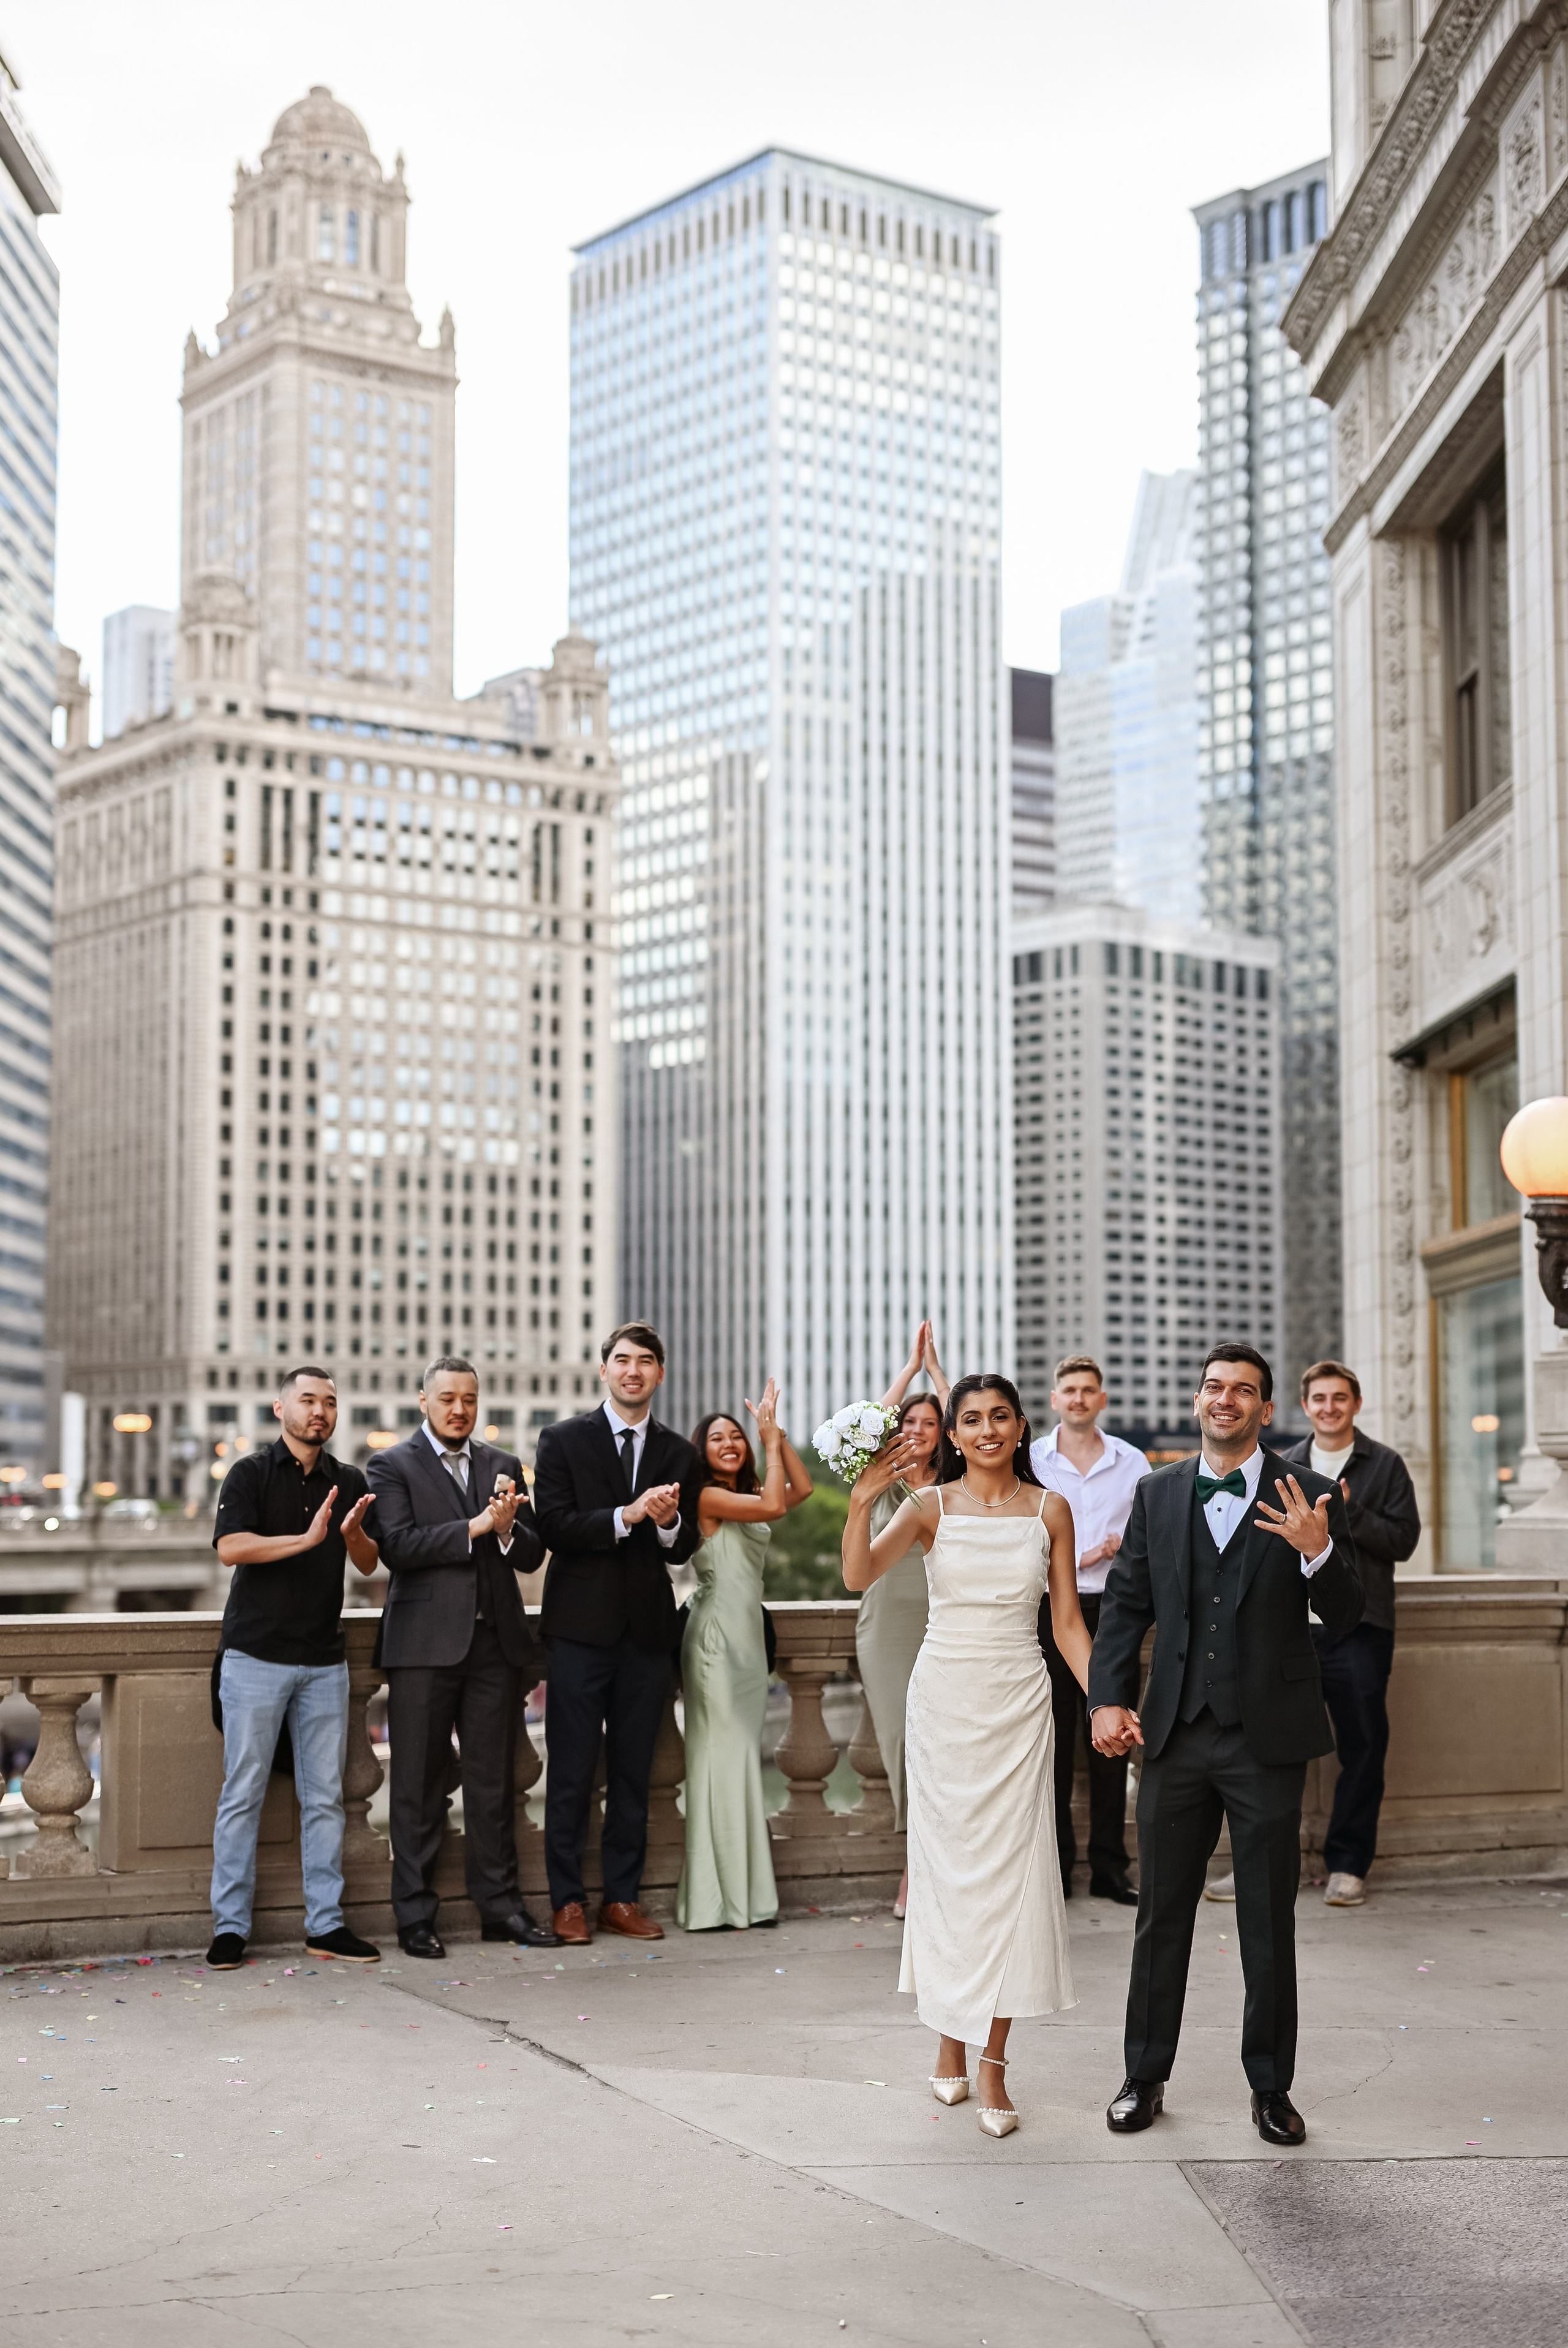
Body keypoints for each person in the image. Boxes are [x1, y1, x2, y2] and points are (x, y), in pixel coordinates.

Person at [1089, 1342, 1362, 2148]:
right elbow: (1126, 1606)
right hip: (1174, 1732)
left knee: (1267, 1922)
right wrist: (1108, 1698)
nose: (1226, 1400)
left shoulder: (1309, 1492)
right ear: (1198, 1396)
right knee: (1160, 1920)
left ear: (1266, 1409)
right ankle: (1144, 2076)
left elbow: (1346, 1617)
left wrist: (1317, 1550)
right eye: (1214, 1386)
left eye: (1244, 1391)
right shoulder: (1156, 1493)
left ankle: (1271, 2088)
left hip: (1267, 1741)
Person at [844, 1373, 1090, 2140]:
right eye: (971, 1419)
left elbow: (1069, 1625)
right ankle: (948, 2042)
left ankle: (992, 2063)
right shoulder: (927, 1506)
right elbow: (857, 1575)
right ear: (952, 1435)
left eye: (1000, 1416)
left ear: (1022, 1428)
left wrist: (1107, 1698)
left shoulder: (1051, 1508)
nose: (986, 1429)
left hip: (1019, 1704)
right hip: (944, 1702)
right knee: (950, 1882)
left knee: (1011, 1882)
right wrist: (858, 1502)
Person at [367, 1354, 553, 1960]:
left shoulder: (502, 1464)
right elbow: (397, 1546)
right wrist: (477, 1525)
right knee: (416, 1786)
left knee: (493, 1785)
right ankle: (415, 1916)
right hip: (422, 1648)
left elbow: (528, 1553)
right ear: (424, 1401)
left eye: (469, 1399)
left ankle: (502, 1907)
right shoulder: (390, 1464)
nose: (459, 1408)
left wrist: (505, 1529)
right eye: (447, 1397)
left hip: (493, 1647)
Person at [532, 1321, 703, 1944]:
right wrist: (625, 1515)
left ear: (660, 1374)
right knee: (572, 1774)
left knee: (634, 1773)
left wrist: (663, 1524)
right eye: (622, 1360)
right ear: (604, 1369)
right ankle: (567, 1901)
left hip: (646, 1636)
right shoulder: (562, 1439)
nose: (633, 1370)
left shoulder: (679, 1452)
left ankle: (622, 1898)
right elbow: (551, 1524)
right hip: (578, 1633)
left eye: (646, 1361)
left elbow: (685, 1540)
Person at [207, 1365, 382, 1971]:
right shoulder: (250, 1472)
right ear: (280, 1408)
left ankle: (326, 1923)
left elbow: (366, 1563)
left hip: (323, 1662)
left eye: (329, 1402)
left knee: (325, 1798)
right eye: (307, 1399)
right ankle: (229, 1927)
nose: (320, 1411)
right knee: (242, 1794)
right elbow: (231, 1546)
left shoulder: (350, 1478)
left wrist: (353, 1533)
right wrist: (305, 1540)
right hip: (254, 1656)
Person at [1279, 1359, 1420, 1908]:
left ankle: (1348, 1864)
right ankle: (1266, 1863)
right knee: (1275, 1746)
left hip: (1361, 1628)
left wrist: (1349, 1510)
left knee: (1363, 1746)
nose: (1329, 1407)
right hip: (1294, 1628)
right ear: (1306, 1405)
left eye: (1340, 1398)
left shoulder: (1384, 1464)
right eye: (1319, 1398)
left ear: (1355, 1404)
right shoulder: (1284, 1462)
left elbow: (1404, 1540)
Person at [676, 1381, 813, 1931]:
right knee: (720, 1761)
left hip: (749, 1642)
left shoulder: (755, 1489)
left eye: (736, 1436)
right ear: (700, 1450)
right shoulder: (707, 1496)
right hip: (715, 1641)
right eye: (717, 1437)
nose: (730, 1443)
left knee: (736, 1761)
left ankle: (744, 1897)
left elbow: (796, 1490)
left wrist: (775, 1434)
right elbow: (777, 1504)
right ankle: (718, 1901)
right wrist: (766, 1438)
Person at [1030, 1354, 1148, 1906]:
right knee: (1050, 1742)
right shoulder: (1031, 1460)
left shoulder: (1133, 1461)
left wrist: (1123, 1548)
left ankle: (1109, 1869)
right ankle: (1056, 1868)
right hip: (1048, 1609)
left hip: (1115, 1612)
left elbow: (1152, 1535)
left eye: (1088, 1390)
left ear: (1102, 1399)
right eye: (1069, 1389)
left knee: (1111, 1741)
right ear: (1055, 1399)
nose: (1078, 1398)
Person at [854, 1319, 951, 1917]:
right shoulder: (876, 1475)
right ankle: (918, 1861)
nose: (916, 1429)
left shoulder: (959, 1480)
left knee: (944, 1748)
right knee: (899, 1742)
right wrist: (908, 1374)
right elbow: (864, 1425)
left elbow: (972, 1415)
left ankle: (927, 1871)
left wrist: (939, 1375)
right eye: (908, 1420)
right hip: (885, 1629)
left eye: (929, 1421)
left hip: (947, 1624)